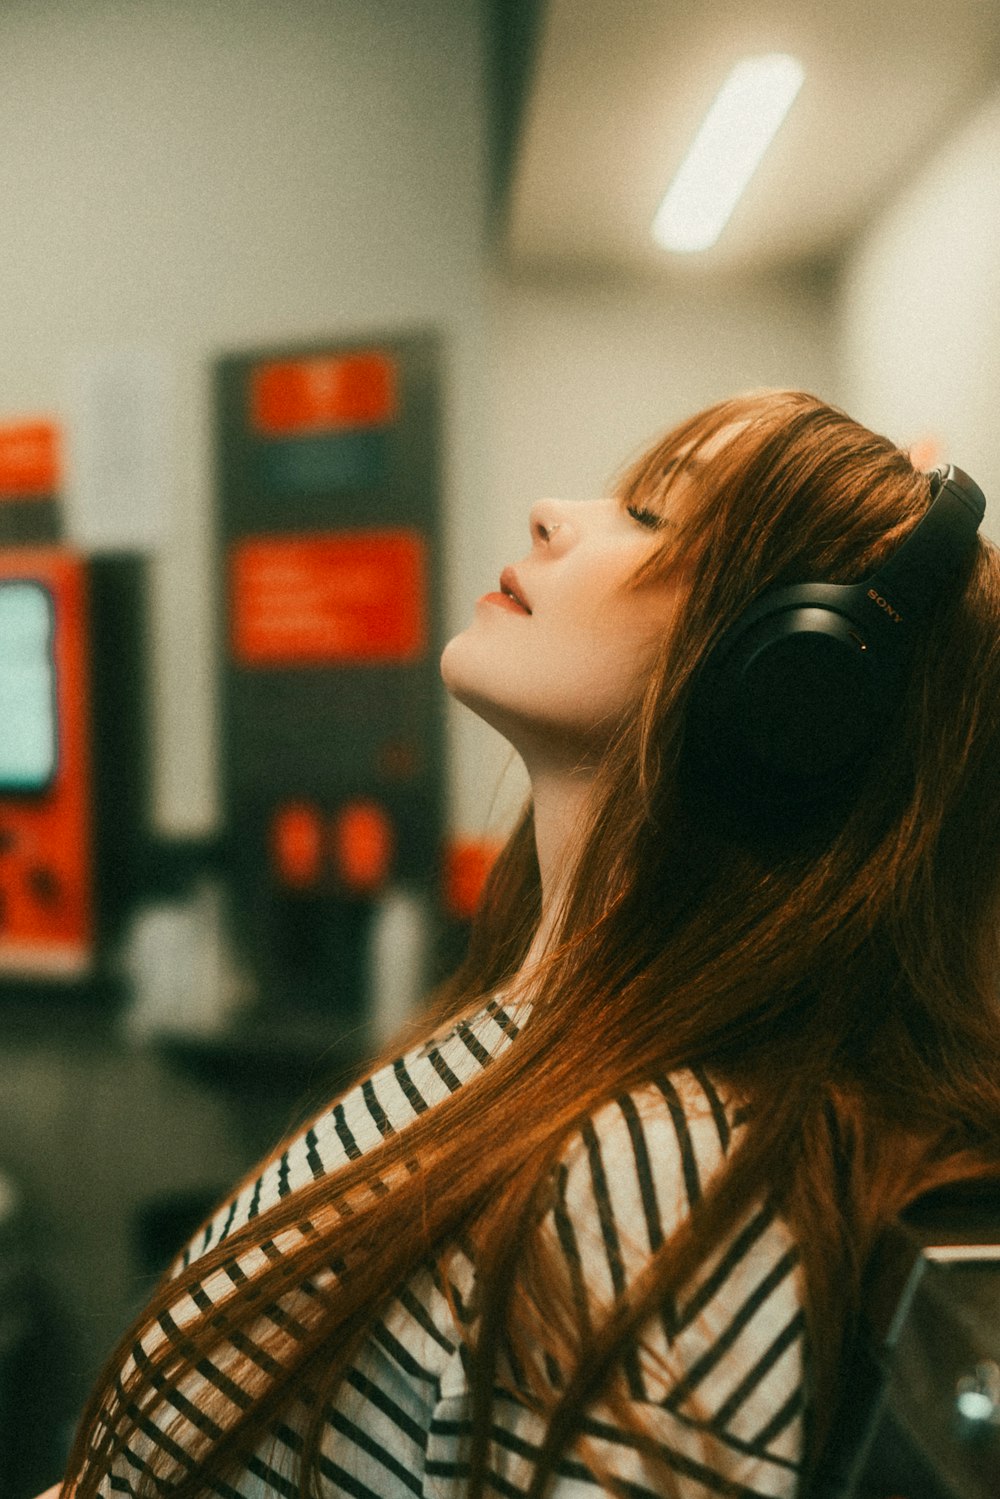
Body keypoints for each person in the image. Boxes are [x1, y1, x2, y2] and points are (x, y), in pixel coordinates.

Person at [50, 390, 1000, 1498]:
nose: (553, 511)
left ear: (787, 684)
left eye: (651, 516)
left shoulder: (652, 1195)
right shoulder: (539, 1035)